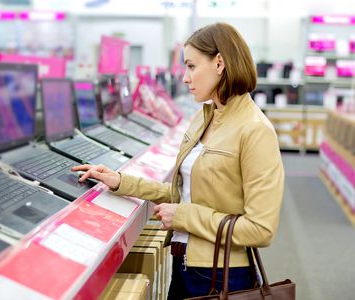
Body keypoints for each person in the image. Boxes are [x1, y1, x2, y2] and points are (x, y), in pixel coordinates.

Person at [71, 22, 284, 299]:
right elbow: (184, 194)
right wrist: (121, 182)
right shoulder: (205, 118)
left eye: (192, 66)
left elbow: (261, 229)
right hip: (185, 263)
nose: (185, 77)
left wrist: (183, 216)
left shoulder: (255, 130)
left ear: (219, 63)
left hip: (221, 275)